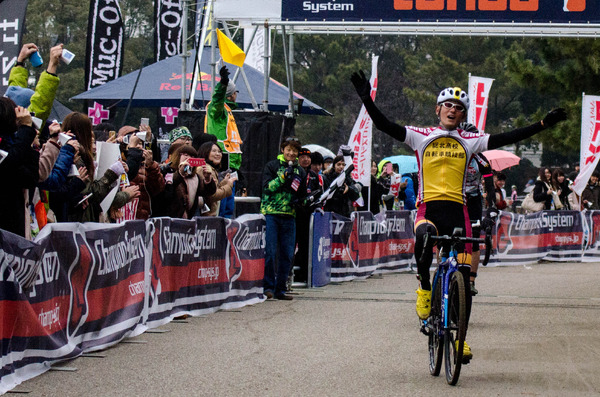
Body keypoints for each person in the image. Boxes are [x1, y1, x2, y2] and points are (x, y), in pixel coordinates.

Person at [351, 70, 566, 361]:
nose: (453, 110)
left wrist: (542, 124)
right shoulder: (420, 136)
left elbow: (509, 136)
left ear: (463, 115)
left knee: (464, 277)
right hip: (429, 209)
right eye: (448, 105)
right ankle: (425, 289)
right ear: (437, 109)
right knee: (425, 237)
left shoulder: (470, 140)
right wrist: (366, 98)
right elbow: (384, 124)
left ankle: (460, 337)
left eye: (459, 107)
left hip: (459, 211)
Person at [260, 138, 307, 300]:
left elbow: (301, 194)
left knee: (287, 254)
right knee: (271, 252)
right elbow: (267, 188)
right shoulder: (272, 166)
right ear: (282, 149)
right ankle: (267, 287)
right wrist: (282, 177)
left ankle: (281, 289)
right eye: (289, 149)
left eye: (295, 151)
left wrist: (306, 201)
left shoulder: (300, 171)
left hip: (290, 215)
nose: (291, 153)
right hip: (271, 213)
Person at [204, 66, 244, 219]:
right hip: (220, 165)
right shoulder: (217, 109)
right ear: (231, 94)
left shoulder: (227, 111)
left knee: (228, 210)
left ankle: (226, 240)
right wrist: (223, 83)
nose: (236, 95)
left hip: (230, 166)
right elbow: (217, 99)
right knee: (220, 209)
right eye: (235, 92)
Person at [0, 98, 39, 237]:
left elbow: (30, 178)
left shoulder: (13, 145)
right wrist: (25, 130)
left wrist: (31, 146)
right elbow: (9, 163)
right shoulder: (10, 147)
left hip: (12, 232)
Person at [464, 151, 495, 296]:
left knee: (474, 238)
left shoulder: (480, 159)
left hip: (474, 200)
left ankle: (471, 280)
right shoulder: (454, 152)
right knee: (445, 234)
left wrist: (492, 208)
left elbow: (489, 184)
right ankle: (441, 270)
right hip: (454, 198)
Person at [165, 145, 217, 219]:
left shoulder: (195, 177)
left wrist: (208, 179)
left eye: (192, 156)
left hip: (188, 218)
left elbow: (207, 193)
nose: (189, 158)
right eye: (185, 155)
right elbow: (167, 193)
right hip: (170, 218)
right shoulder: (168, 172)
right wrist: (180, 173)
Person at [197, 141, 236, 216]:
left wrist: (224, 182)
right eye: (214, 151)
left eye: (219, 151)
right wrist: (229, 186)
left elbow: (211, 190)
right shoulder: (205, 169)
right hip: (204, 219)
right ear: (205, 152)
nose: (218, 154)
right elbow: (212, 196)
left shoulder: (210, 168)